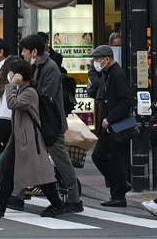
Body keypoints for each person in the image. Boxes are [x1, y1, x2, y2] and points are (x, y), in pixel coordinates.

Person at [0, 58, 68, 218]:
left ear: (20, 75)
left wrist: (12, 85)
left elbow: (12, 104)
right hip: (21, 140)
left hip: (29, 141)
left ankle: (57, 204)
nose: (10, 76)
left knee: (39, 174)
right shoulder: (23, 90)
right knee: (11, 171)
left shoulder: (29, 92)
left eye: (12, 74)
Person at [18, 34, 82, 213]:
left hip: (51, 125)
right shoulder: (37, 66)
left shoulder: (50, 68)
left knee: (62, 162)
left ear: (34, 52)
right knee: (29, 158)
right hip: (41, 123)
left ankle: (74, 199)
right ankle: (16, 195)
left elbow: (46, 97)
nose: (22, 54)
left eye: (24, 50)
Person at [90, 45, 135, 207]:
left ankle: (118, 195)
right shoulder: (107, 74)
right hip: (108, 126)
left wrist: (110, 118)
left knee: (116, 160)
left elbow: (126, 101)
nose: (95, 62)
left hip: (116, 126)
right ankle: (121, 184)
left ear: (106, 59)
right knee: (98, 156)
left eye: (97, 59)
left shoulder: (118, 74)